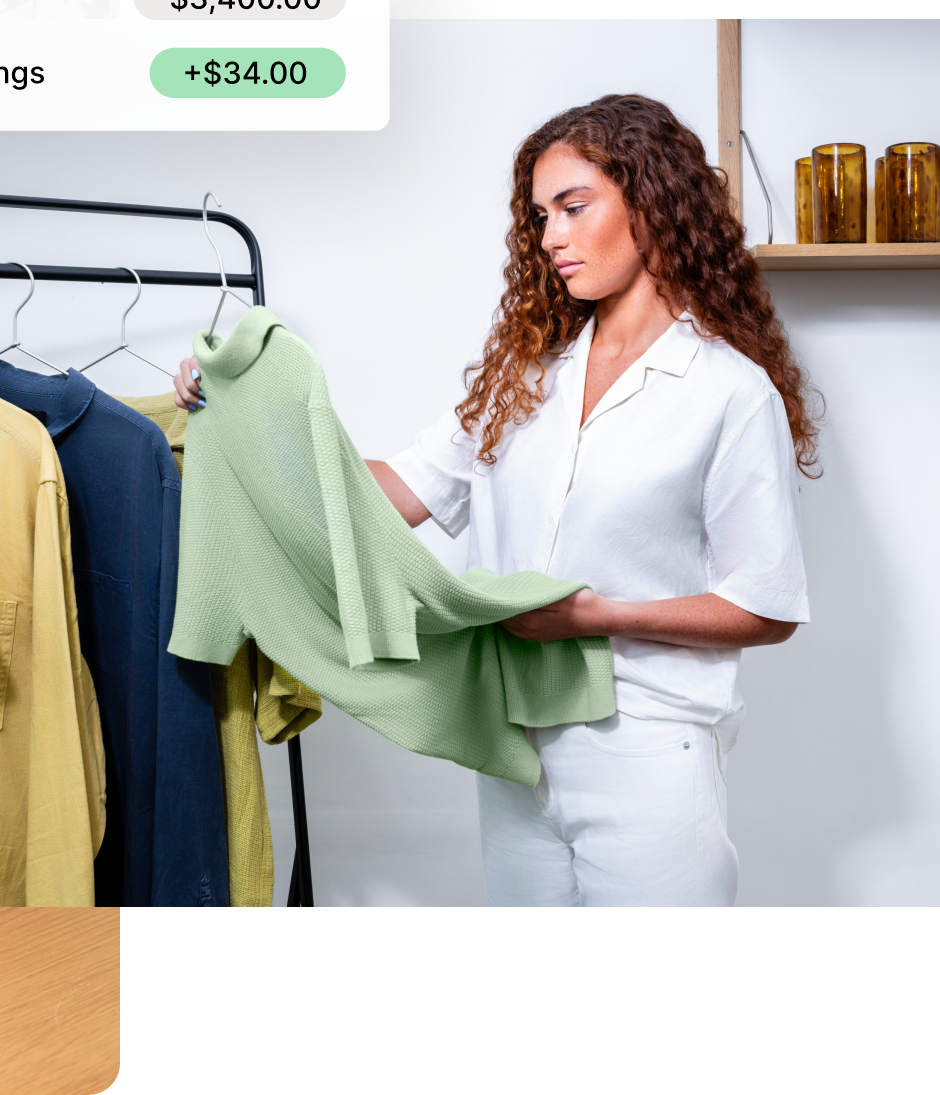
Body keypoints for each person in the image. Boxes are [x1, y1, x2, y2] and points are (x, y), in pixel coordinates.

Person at [175, 94, 814, 906]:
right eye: (541, 216)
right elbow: (388, 496)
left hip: (647, 745)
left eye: (574, 208)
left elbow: (766, 607)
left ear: (651, 203)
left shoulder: (728, 392)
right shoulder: (528, 379)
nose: (550, 238)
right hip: (513, 741)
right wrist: (243, 405)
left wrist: (594, 617)